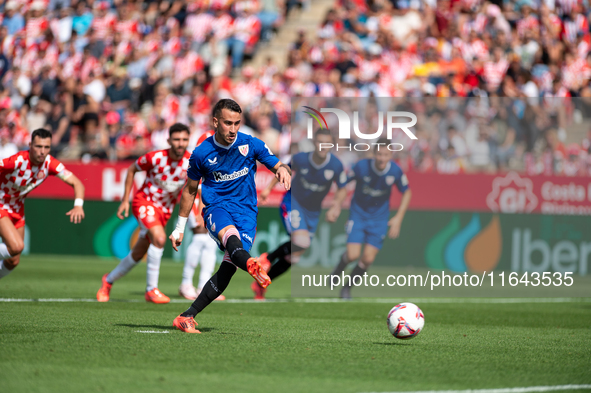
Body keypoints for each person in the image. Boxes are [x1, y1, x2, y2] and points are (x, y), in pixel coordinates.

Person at [169, 99, 291, 333]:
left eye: (237, 123)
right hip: (217, 208)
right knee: (230, 237)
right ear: (216, 122)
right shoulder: (201, 153)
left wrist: (282, 171)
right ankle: (251, 263)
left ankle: (187, 316)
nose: (233, 129)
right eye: (227, 123)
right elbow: (190, 190)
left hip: (247, 213)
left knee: (227, 269)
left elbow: (276, 164)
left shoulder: (250, 143)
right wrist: (180, 227)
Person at [96, 123, 191, 303]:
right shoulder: (155, 158)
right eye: (177, 139)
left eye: (184, 140)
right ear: (169, 140)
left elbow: (195, 189)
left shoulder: (190, 162)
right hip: (145, 203)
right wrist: (125, 200)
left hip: (164, 211)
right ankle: (151, 290)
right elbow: (132, 169)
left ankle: (107, 281)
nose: (180, 143)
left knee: (138, 254)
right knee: (160, 238)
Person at [255, 128, 347, 300]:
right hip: (292, 203)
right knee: (301, 241)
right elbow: (283, 169)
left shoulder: (335, 165)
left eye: (326, 143)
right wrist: (267, 189)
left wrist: (336, 206)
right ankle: (267, 257)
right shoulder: (301, 159)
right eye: (319, 142)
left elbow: (342, 188)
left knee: (293, 257)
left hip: (312, 212)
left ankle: (262, 283)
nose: (322, 146)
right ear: (314, 143)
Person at [330, 140, 412, 299]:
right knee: (353, 255)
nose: (382, 158)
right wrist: (336, 205)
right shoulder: (361, 167)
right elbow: (343, 184)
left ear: (391, 155)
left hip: (379, 220)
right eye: (379, 154)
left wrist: (398, 218)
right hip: (358, 215)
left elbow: (407, 192)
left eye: (386, 155)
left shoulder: (395, 171)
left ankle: (346, 288)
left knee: (367, 258)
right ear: (374, 154)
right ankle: (339, 268)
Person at [0, 128, 85, 280]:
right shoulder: (18, 160)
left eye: (46, 147)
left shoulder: (50, 164)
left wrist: (78, 205)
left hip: (17, 208)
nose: (42, 151)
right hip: (1, 203)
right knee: (17, 246)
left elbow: (77, 183)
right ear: (30, 145)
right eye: (38, 146)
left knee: (14, 260)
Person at [178, 129, 226, 302]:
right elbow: (197, 187)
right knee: (199, 237)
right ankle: (185, 283)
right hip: (196, 202)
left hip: (210, 202)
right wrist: (199, 212)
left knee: (211, 244)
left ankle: (203, 286)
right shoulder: (202, 155)